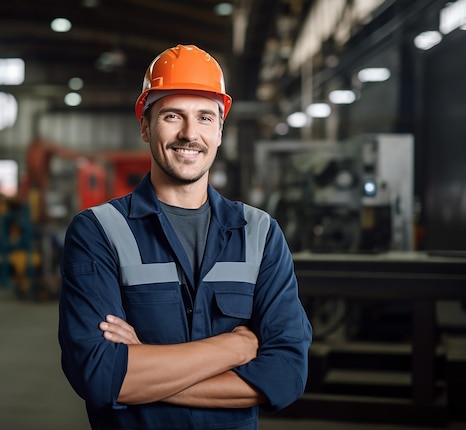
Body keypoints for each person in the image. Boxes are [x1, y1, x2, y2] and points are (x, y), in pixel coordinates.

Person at [58, 44, 312, 430]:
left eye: (205, 117)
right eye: (172, 115)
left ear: (221, 131)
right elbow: (97, 374)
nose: (190, 134)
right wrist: (235, 347)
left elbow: (286, 375)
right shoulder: (99, 231)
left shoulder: (260, 233)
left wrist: (143, 369)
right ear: (145, 126)